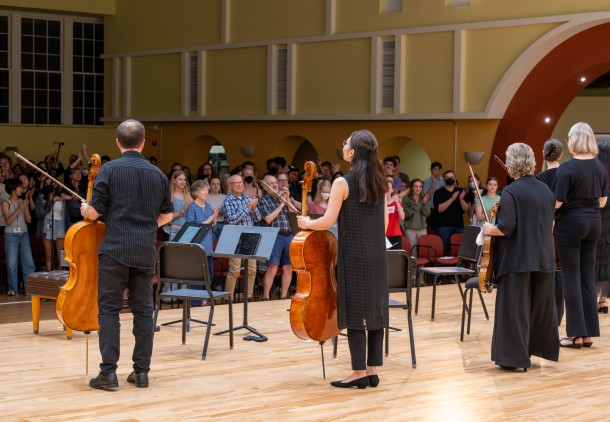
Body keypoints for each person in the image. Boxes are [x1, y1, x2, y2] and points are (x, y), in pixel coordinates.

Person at [82, 119, 173, 390]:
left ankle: (108, 374)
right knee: (144, 311)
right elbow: (167, 215)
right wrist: (145, 227)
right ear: (143, 142)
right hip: (145, 252)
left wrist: (86, 209)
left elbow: (94, 212)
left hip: (115, 251)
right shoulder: (158, 175)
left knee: (109, 311)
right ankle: (141, 372)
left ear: (118, 142)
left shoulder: (109, 170)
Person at [297, 129, 388, 389]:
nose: (343, 145)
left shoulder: (342, 182)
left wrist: (307, 222)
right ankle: (372, 369)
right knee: (374, 312)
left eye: (346, 143)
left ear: (352, 152)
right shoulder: (382, 182)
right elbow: (383, 224)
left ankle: (358, 371)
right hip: (376, 255)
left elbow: (328, 221)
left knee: (355, 313)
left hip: (355, 256)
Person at [482, 142, 558, 371]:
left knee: (515, 311)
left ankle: (514, 359)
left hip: (517, 259)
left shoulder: (511, 191)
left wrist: (487, 228)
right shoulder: (545, 189)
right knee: (538, 310)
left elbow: (506, 227)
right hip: (544, 258)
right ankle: (533, 350)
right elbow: (551, 224)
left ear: (511, 163)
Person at [554, 122, 608, 348]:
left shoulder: (566, 168)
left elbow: (557, 203)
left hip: (571, 225)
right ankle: (587, 334)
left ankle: (574, 334)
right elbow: (603, 202)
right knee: (588, 278)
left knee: (571, 279)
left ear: (574, 140)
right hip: (594, 223)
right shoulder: (600, 168)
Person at [536, 138, 564, 325]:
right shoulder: (568, 173)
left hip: (546, 229)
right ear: (561, 154)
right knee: (562, 274)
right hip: (567, 227)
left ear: (543, 154)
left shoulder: (538, 179)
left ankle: (545, 315)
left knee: (547, 274)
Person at [221, 174, 261, 299]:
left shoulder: (248, 198)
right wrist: (248, 207)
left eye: (241, 182)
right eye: (236, 183)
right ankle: (229, 299)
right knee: (234, 270)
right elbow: (232, 220)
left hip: (250, 236)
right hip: (235, 237)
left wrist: (254, 208)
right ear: (230, 186)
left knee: (252, 269)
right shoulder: (227, 201)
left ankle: (248, 297)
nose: (239, 185)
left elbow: (258, 218)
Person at [257, 174, 294, 300]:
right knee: (272, 267)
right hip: (274, 236)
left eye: (275, 182)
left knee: (288, 267)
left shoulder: (282, 198)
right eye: (270, 183)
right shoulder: (263, 200)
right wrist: (281, 205)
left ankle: (284, 296)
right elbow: (268, 219)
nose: (274, 185)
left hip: (288, 235)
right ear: (265, 187)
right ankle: (266, 297)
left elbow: (293, 214)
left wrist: (287, 200)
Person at [185, 180, 219, 306]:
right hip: (197, 247)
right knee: (198, 276)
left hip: (208, 247)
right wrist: (209, 220)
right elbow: (191, 227)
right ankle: (197, 303)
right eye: (204, 190)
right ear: (196, 192)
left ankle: (204, 299)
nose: (206, 192)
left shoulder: (208, 206)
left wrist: (214, 220)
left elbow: (211, 226)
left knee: (209, 274)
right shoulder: (192, 207)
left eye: (207, 190)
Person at [2, 178, 36, 296]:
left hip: (24, 234)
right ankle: (13, 290)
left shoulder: (23, 201)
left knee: (28, 263)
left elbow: (29, 220)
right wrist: (19, 208)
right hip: (11, 235)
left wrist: (25, 208)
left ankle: (30, 290)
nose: (22, 189)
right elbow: (8, 221)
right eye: (20, 187)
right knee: (11, 264)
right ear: (13, 189)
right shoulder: (5, 203)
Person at [433, 170, 468, 255]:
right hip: (443, 227)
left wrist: (461, 199)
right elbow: (439, 209)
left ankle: (458, 267)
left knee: (460, 251)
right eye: (448, 177)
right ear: (444, 179)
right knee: (443, 251)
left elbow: (466, 209)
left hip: (459, 226)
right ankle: (443, 268)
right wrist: (452, 199)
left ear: (455, 178)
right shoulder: (438, 192)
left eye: (452, 177)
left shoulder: (460, 191)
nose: (450, 179)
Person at [595, 142, 610, 314]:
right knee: (608, 261)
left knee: (595, 260)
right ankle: (603, 300)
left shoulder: (598, 173)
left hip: (598, 219)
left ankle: (593, 297)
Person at [402, 178, 430, 252]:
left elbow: (427, 214)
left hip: (422, 229)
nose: (418, 189)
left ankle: (422, 264)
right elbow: (406, 214)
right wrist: (415, 204)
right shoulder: (406, 199)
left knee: (423, 251)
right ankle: (413, 264)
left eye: (420, 187)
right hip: (410, 229)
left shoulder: (424, 198)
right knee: (412, 251)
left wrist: (424, 204)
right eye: (416, 186)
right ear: (412, 187)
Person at [165, 170, 192, 241]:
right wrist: (182, 211)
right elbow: (167, 217)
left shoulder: (187, 194)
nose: (183, 182)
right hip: (174, 230)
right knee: (174, 251)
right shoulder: (170, 195)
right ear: (174, 181)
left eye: (184, 180)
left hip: (187, 230)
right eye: (180, 179)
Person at [385, 175, 405, 250]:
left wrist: (397, 203)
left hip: (395, 234)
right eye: (385, 187)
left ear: (392, 189)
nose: (387, 189)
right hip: (383, 235)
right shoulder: (379, 204)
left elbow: (402, 217)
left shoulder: (396, 201)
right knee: (385, 257)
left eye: (389, 187)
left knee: (396, 257)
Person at [207, 175, 227, 241]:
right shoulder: (205, 197)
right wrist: (215, 212)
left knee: (222, 248)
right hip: (210, 226)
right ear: (209, 185)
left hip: (223, 224)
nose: (216, 186)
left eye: (218, 184)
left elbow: (229, 212)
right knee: (211, 247)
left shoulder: (225, 197)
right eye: (213, 184)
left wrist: (223, 211)